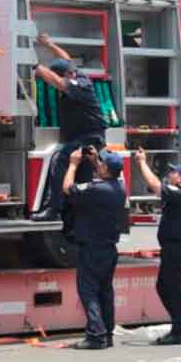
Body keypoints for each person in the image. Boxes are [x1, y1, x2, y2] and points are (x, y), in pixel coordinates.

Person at [32, 33, 108, 228]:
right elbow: (65, 57)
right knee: (81, 178)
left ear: (68, 75)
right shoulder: (73, 70)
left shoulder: (80, 84)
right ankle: (79, 217)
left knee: (61, 159)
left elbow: (58, 82)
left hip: (90, 136)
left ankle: (52, 209)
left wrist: (35, 66)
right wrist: (49, 44)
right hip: (81, 136)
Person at [64, 146, 126, 349]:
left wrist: (73, 164)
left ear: (106, 168)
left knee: (89, 292)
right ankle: (106, 333)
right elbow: (105, 173)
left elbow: (68, 188)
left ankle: (95, 335)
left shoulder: (96, 189)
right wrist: (94, 162)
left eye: (100, 161)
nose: (97, 162)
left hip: (92, 248)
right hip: (108, 248)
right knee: (105, 292)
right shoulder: (118, 187)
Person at [134, 149, 181, 345]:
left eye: (174, 172)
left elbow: (154, 184)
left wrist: (142, 162)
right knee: (163, 286)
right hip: (171, 248)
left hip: (176, 249)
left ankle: (179, 331)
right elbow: (153, 185)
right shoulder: (177, 193)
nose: (170, 174)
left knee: (174, 288)